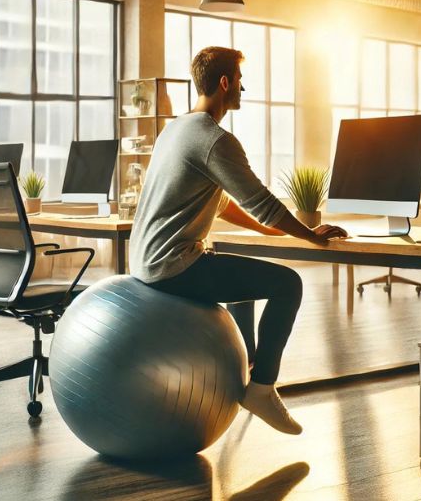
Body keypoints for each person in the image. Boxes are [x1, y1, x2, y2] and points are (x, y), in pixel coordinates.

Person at [129, 46, 347, 435]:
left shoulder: (174, 129)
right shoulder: (215, 139)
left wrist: (266, 230)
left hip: (145, 262)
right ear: (225, 83)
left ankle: (246, 363)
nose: (243, 90)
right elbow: (261, 200)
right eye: (241, 82)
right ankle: (263, 388)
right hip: (173, 266)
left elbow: (223, 203)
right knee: (287, 284)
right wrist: (310, 234)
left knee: (237, 272)